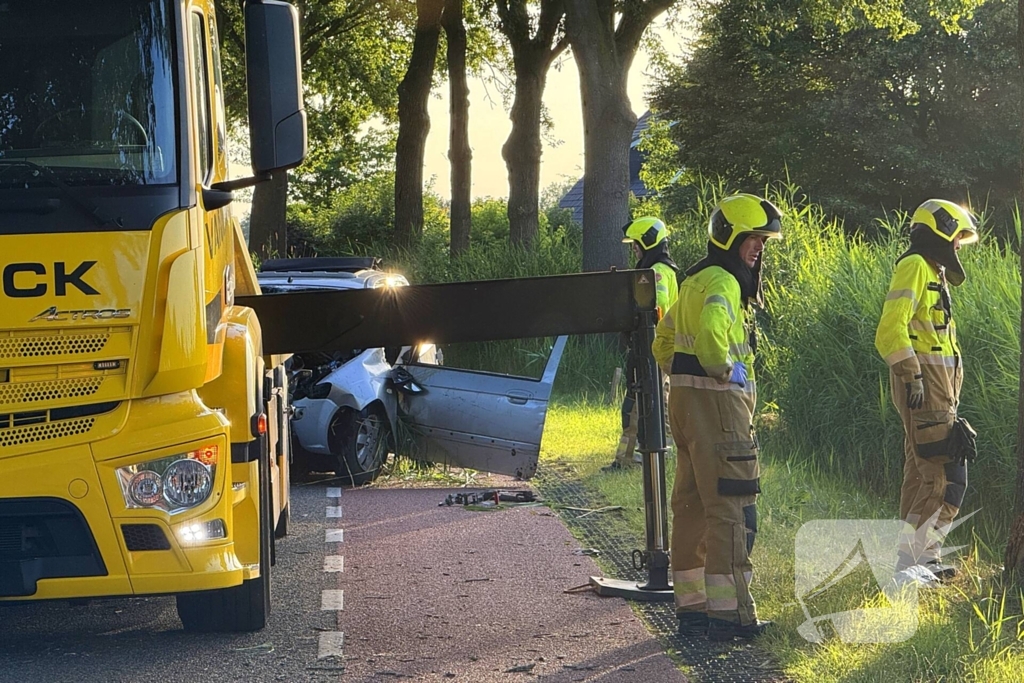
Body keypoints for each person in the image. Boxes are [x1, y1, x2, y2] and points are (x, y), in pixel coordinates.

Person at [653, 193, 780, 640]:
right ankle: (732, 618)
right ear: (731, 238)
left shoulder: (693, 279)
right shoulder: (725, 281)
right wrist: (727, 372)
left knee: (689, 505)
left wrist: (683, 376)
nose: (760, 248)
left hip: (684, 403)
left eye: (763, 241)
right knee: (731, 507)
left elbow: (661, 343)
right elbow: (710, 340)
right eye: (754, 239)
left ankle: (692, 610)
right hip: (720, 406)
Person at [874, 199, 978, 581]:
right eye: (955, 238)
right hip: (926, 387)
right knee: (945, 475)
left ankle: (917, 562)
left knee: (921, 475)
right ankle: (917, 562)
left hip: (937, 388)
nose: (957, 248)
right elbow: (889, 329)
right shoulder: (915, 266)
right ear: (940, 233)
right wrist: (913, 374)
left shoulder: (928, 269)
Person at [604, 217, 679, 471]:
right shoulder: (663, 269)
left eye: (636, 243)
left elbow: (654, 308)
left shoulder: (656, 272)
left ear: (648, 241)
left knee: (637, 402)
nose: (634, 248)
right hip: (659, 347)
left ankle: (627, 460)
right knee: (659, 401)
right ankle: (660, 455)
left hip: (651, 346)